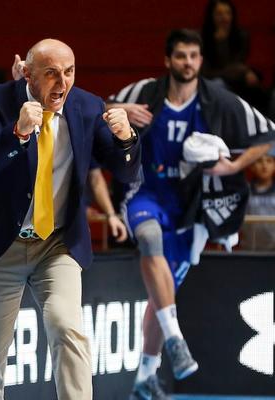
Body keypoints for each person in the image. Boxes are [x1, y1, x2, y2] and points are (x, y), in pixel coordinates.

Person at [0, 38, 141, 400]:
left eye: (69, 72)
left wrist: (126, 138)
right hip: (0, 244)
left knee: (67, 326)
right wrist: (18, 133)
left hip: (57, 243)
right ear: (27, 74)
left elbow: (126, 173)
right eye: (51, 73)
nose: (62, 83)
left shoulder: (86, 106)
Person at [107, 29, 274, 399]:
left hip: (189, 208)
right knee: (149, 238)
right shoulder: (145, 92)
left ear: (200, 60)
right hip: (145, 192)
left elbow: (267, 134)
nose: (188, 62)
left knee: (161, 295)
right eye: (181, 55)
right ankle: (176, 340)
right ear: (168, 60)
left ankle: (145, 377)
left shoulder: (217, 100)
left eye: (194, 56)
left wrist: (234, 167)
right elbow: (99, 109)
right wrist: (120, 111)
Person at [201, 0, 267, 110]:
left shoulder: (241, 36)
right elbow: (206, 71)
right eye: (219, 14)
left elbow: (237, 64)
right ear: (211, 17)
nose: (224, 18)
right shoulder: (202, 38)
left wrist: (242, 71)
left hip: (237, 81)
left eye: (228, 13)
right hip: (213, 81)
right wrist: (220, 43)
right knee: (217, 84)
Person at [240, 152, 275, 251]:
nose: (264, 165)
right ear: (252, 166)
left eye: (269, 161)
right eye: (259, 161)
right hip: (250, 248)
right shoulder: (244, 191)